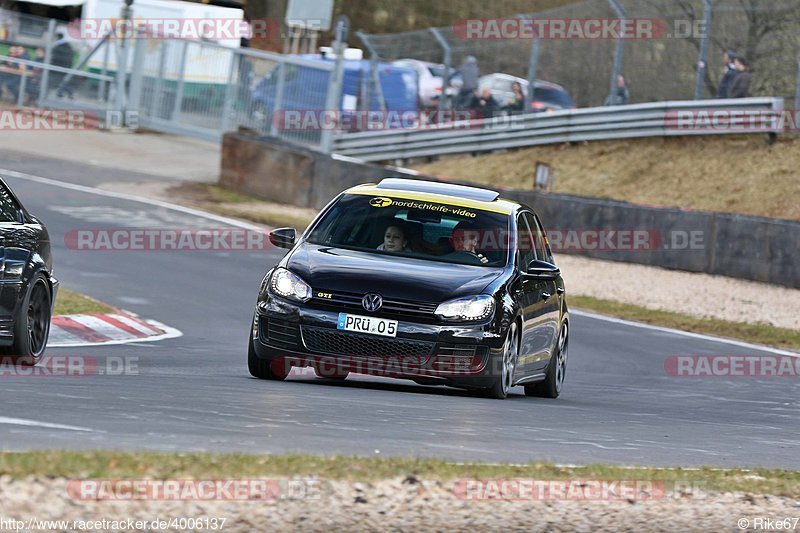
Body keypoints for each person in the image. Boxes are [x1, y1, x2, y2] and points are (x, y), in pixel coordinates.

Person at [50, 31, 74, 97]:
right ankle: (61, 93)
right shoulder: (67, 46)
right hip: (65, 67)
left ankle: (68, 92)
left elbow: (55, 56)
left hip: (61, 67)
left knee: (61, 80)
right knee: (61, 80)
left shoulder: (59, 46)